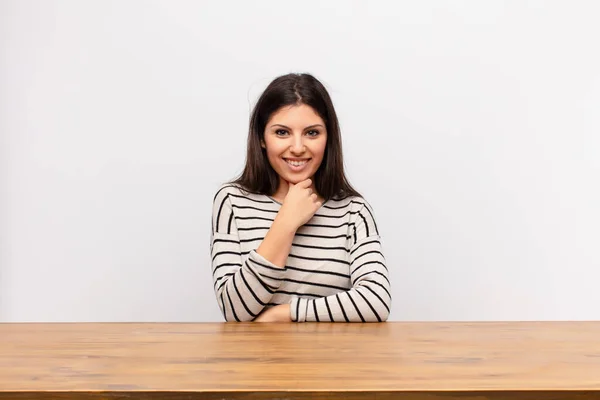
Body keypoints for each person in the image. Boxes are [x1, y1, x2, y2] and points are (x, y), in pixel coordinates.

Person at [210, 73, 391, 322]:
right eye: (282, 132)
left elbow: (376, 301)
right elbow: (235, 310)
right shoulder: (232, 201)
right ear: (262, 138)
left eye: (312, 133)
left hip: (333, 360)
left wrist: (283, 314)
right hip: (256, 361)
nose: (297, 147)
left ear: (328, 138)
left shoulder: (353, 210)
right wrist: (286, 221)